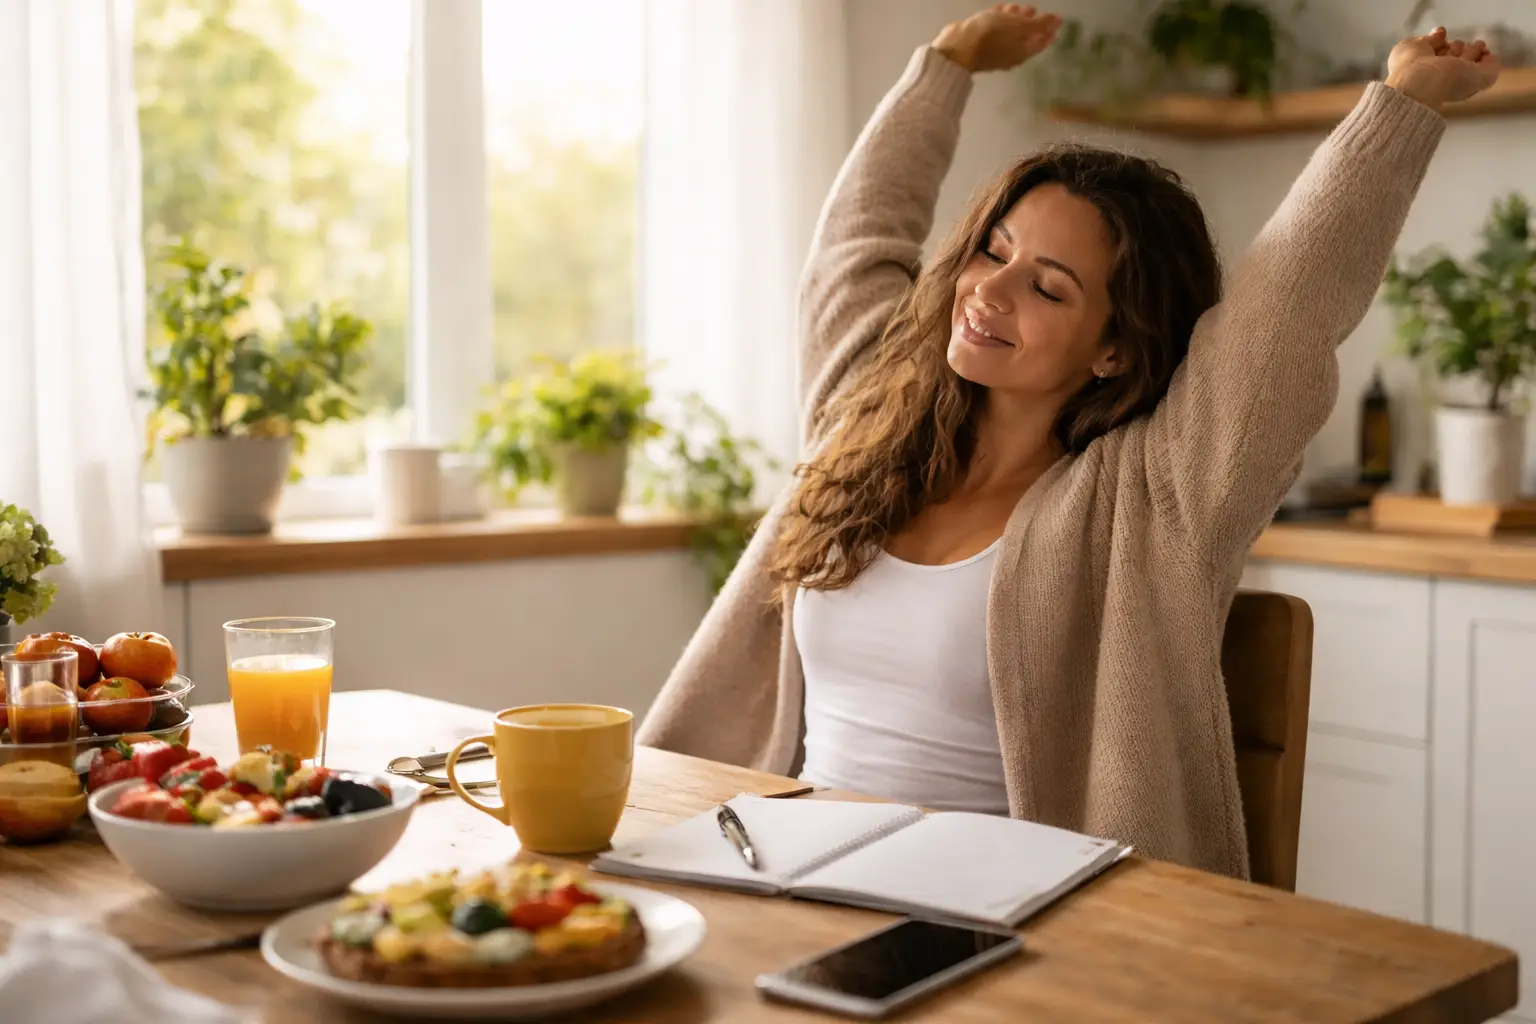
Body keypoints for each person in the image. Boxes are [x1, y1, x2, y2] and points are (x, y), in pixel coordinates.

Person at [638, 4, 1500, 877]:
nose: (990, 291)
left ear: (1115, 346)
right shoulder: (871, 420)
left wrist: (1400, 107)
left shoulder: (1147, 501)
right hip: (781, 866)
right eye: (993, 251)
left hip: (1003, 915)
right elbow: (855, 247)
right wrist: (945, 68)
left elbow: (1279, 322)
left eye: (1048, 289)